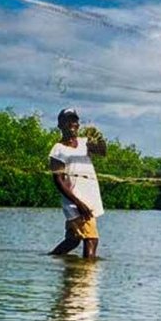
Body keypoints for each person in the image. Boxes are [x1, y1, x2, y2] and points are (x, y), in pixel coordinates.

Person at [47, 107, 106, 259]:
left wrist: (98, 136)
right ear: (60, 125)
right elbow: (58, 181)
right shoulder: (58, 150)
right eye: (68, 121)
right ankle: (86, 278)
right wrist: (78, 203)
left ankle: (51, 260)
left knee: (73, 240)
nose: (72, 124)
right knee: (91, 239)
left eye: (74, 120)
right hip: (76, 204)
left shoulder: (84, 143)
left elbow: (102, 151)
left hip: (88, 200)